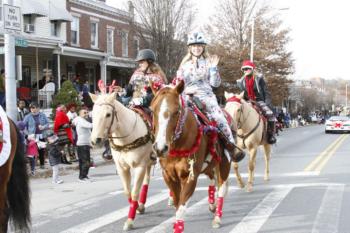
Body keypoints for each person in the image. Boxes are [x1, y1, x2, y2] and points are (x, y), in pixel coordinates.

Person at [173, 32, 245, 160]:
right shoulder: (184, 66)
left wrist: (213, 68)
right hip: (187, 96)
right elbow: (178, 83)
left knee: (219, 118)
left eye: (199, 45)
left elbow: (215, 83)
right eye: (194, 46)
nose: (197, 48)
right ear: (190, 48)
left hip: (205, 96)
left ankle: (231, 147)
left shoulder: (209, 63)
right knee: (172, 117)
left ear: (203, 47)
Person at [236, 60, 276, 144]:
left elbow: (266, 92)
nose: (245, 70)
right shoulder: (241, 82)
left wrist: (268, 104)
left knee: (270, 114)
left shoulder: (259, 79)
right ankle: (236, 135)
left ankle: (271, 135)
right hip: (248, 101)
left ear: (252, 69)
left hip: (259, 100)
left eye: (247, 68)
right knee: (236, 112)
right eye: (244, 69)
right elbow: (243, 94)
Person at [23, 102, 50, 169]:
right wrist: (28, 134)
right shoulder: (28, 116)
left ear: (38, 108)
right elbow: (23, 127)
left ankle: (42, 164)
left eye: (34, 108)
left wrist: (43, 127)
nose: (33, 109)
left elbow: (48, 123)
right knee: (32, 152)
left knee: (41, 151)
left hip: (41, 135)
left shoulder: (42, 115)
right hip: (32, 137)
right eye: (31, 108)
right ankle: (33, 166)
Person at [72, 108, 93, 182]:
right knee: (85, 161)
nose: (86, 114)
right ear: (80, 114)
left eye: (87, 112)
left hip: (85, 143)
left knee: (85, 161)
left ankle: (84, 175)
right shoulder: (80, 120)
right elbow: (90, 126)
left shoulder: (81, 120)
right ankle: (82, 177)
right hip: (82, 144)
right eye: (84, 113)